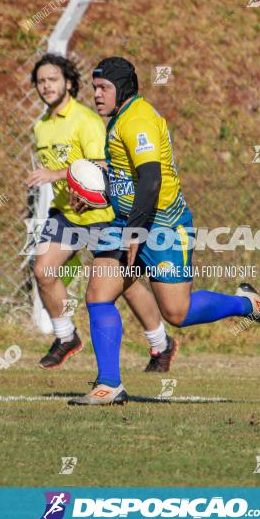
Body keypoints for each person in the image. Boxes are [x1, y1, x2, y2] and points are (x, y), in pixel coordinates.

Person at [67, 57, 260, 406]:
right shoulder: (120, 118)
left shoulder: (138, 120)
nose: (96, 95)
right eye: (94, 87)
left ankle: (248, 305)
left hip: (163, 224)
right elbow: (127, 176)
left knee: (177, 314)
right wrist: (96, 195)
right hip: (129, 222)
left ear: (122, 88)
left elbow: (151, 180)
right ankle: (109, 385)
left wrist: (135, 233)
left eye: (103, 88)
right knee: (98, 294)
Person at [27, 54, 177, 371]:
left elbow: (105, 169)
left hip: (101, 214)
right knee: (43, 270)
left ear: (69, 82)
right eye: (41, 81)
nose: (46, 86)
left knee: (127, 284)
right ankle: (66, 336)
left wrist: (57, 175)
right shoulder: (41, 127)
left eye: (53, 79)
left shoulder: (86, 121)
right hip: (67, 214)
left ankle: (160, 343)